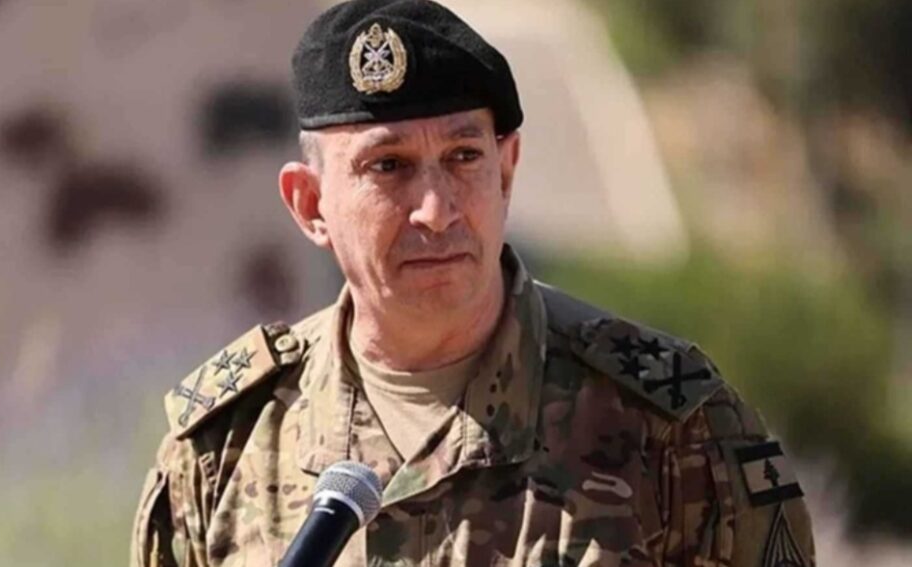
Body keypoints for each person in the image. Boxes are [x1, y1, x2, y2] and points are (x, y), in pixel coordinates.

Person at [130, 1, 815, 565]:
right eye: (388, 166)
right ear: (311, 205)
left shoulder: (674, 430)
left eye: (463, 156)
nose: (436, 209)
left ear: (506, 171)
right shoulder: (223, 452)